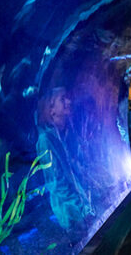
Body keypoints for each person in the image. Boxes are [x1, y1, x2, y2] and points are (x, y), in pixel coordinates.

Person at [36, 87, 95, 234]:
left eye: (67, 98)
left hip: (83, 206)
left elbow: (77, 167)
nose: (69, 101)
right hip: (71, 214)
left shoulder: (67, 132)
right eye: (62, 99)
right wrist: (80, 210)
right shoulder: (46, 140)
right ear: (51, 110)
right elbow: (56, 183)